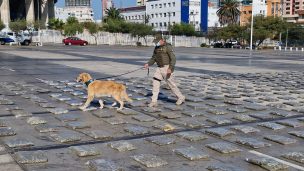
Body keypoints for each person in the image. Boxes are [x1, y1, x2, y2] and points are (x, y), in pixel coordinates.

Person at [144, 34, 185, 107]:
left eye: (157, 41)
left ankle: (181, 97)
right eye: (155, 42)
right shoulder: (156, 48)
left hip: (167, 68)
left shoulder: (168, 47)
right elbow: (153, 58)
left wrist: (170, 68)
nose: (156, 43)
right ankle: (154, 101)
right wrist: (148, 64)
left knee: (171, 84)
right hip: (159, 68)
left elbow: (173, 58)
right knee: (155, 83)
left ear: (162, 40)